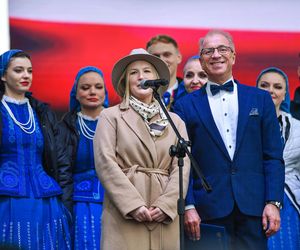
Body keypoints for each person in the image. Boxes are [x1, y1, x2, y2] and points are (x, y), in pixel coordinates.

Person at [173, 30, 285, 250]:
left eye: (222, 49)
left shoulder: (260, 99)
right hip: (206, 210)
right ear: (202, 61)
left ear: (233, 56)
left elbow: (272, 156)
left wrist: (273, 202)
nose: (216, 55)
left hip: (254, 209)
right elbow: (183, 163)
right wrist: (188, 206)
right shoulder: (184, 106)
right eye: (209, 51)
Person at [93, 48, 190, 250]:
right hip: (125, 212)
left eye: (147, 71)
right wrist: (132, 204)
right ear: (125, 81)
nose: (141, 77)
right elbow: (105, 163)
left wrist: (167, 205)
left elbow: (183, 167)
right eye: (133, 72)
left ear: (156, 79)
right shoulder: (111, 116)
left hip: (163, 213)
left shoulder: (175, 121)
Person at [0, 49, 71, 249]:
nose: (26, 76)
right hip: (6, 199)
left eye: (29, 71)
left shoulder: (42, 112)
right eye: (18, 70)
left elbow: (60, 159)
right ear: (3, 75)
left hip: (45, 200)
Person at [59, 66, 109, 249]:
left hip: (115, 203)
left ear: (105, 92)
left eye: (98, 87)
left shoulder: (118, 122)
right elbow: (62, 171)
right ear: (76, 93)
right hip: (79, 205)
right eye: (85, 87)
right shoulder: (65, 126)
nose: (92, 92)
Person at [256, 67, 300, 250]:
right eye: (264, 85)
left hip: (289, 198)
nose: (270, 90)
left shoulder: (298, 128)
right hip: (252, 196)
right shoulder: (239, 123)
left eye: (277, 86)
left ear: (285, 94)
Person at [146, 35, 182, 109]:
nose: (162, 60)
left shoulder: (191, 92)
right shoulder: (140, 93)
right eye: (155, 56)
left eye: (167, 55)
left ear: (179, 58)